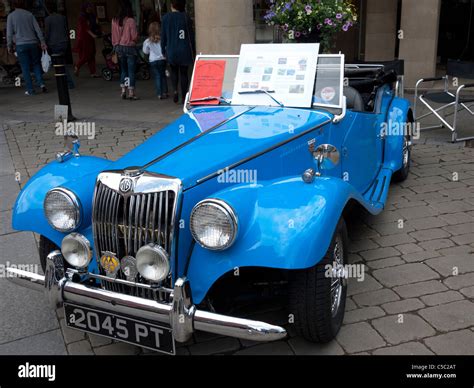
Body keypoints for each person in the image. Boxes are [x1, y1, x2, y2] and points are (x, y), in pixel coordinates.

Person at [6, 0, 48, 95]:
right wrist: (42, 42)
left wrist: (9, 45)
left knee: (25, 68)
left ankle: (30, 90)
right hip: (33, 43)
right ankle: (41, 84)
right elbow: (38, 29)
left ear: (13, 5)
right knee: (36, 64)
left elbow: (9, 33)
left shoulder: (11, 16)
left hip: (20, 45)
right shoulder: (29, 14)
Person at [161, 0, 195, 104]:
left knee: (174, 72)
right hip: (184, 49)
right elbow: (191, 36)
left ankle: (175, 91)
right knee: (184, 74)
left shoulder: (166, 18)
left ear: (172, 5)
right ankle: (184, 96)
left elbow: (163, 37)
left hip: (172, 49)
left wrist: (163, 49)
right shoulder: (186, 17)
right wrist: (193, 49)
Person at [112, 0, 139, 100]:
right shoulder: (131, 20)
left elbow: (114, 37)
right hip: (130, 48)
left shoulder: (114, 20)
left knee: (123, 70)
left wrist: (116, 46)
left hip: (119, 48)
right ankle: (131, 92)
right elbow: (134, 36)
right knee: (131, 71)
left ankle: (123, 91)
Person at [45, 2, 74, 89]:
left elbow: (47, 33)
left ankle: (69, 83)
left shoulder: (48, 19)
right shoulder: (62, 17)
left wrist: (45, 43)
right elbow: (66, 29)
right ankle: (65, 82)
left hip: (54, 43)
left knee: (60, 64)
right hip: (63, 42)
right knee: (61, 62)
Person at [143, 22, 168, 99]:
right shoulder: (162, 39)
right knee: (163, 76)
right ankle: (165, 92)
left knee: (157, 76)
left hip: (153, 60)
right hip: (162, 59)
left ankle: (159, 94)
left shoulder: (147, 41)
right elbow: (166, 48)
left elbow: (145, 51)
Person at [74, 2, 99, 78]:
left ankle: (93, 72)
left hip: (90, 37)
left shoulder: (92, 15)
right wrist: (93, 35)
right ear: (85, 8)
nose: (90, 8)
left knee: (92, 54)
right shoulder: (82, 16)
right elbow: (85, 28)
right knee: (86, 55)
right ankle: (77, 66)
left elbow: (96, 25)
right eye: (88, 7)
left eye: (90, 7)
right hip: (84, 37)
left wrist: (100, 31)